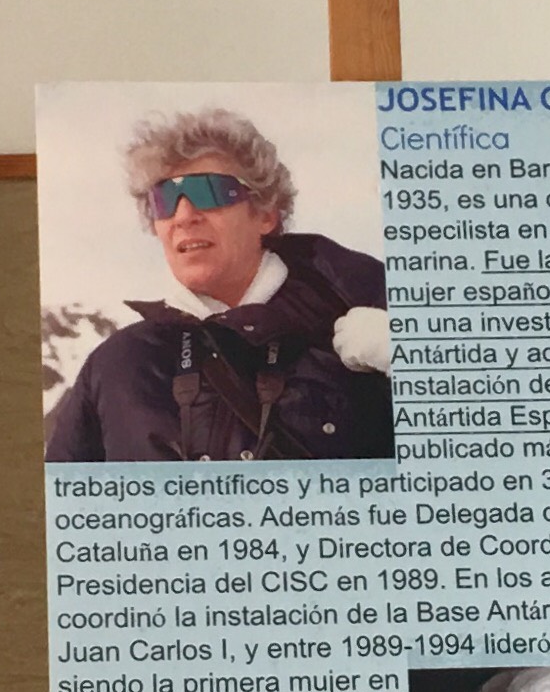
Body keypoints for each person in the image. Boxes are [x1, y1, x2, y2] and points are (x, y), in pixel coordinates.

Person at [45, 108, 390, 461]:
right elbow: (59, 494)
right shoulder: (118, 366)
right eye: (163, 199)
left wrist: (417, 369)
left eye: (207, 191)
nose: (183, 216)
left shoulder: (369, 330)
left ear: (265, 214)